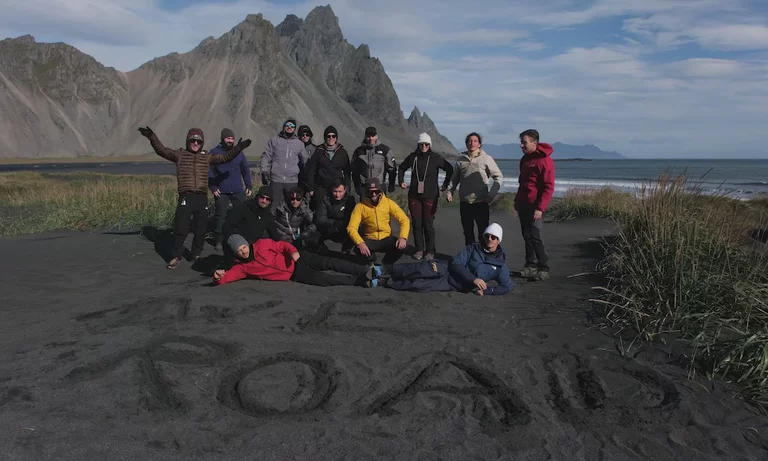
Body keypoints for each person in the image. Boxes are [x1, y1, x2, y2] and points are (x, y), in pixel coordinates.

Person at [137, 126, 250, 269]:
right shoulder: (180, 155)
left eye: (198, 141)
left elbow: (225, 157)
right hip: (186, 196)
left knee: (201, 228)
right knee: (181, 227)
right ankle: (176, 256)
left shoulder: (206, 156)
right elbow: (162, 150)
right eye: (193, 140)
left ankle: (196, 253)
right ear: (188, 141)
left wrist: (238, 147)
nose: (195, 143)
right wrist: (151, 136)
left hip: (201, 197)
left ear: (201, 143)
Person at [378, 223, 513, 295]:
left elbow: (506, 286)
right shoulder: (473, 248)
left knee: (418, 286)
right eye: (487, 236)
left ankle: (385, 283)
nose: (489, 239)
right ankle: (384, 270)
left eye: (493, 237)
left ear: (498, 240)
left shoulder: (499, 265)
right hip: (446, 268)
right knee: (420, 269)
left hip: (453, 284)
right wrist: (473, 279)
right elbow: (456, 262)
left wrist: (487, 291)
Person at [213, 234, 380, 287]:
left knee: (329, 263)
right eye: (239, 250)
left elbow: (282, 245)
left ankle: (366, 270)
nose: (243, 251)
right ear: (236, 253)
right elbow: (229, 276)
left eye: (243, 246)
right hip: (294, 273)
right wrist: (219, 277)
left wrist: (293, 252)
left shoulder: (261, 244)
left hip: (299, 257)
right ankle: (360, 281)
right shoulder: (242, 267)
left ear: (245, 243)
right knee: (324, 279)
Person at [397, 133, 454, 260]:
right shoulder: (413, 157)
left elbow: (449, 169)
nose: (424, 146)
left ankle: (430, 251)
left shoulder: (435, 158)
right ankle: (419, 250)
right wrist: (401, 181)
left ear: (429, 145)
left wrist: (445, 184)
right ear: (418, 144)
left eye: (426, 144)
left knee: (427, 224)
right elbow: (401, 168)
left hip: (430, 196)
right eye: (421, 144)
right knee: (417, 224)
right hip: (414, 196)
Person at [447, 132, 503, 245]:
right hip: (465, 202)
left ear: (479, 144)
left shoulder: (486, 159)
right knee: (468, 233)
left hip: (481, 202)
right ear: (466, 144)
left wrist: (491, 195)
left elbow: (498, 177)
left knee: (483, 233)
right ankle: (470, 256)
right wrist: (450, 191)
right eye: (469, 141)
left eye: (475, 141)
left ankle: (483, 258)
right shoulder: (461, 160)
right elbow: (454, 179)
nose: (472, 143)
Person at [515, 129, 555, 281]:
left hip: (535, 206)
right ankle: (530, 266)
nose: (521, 145)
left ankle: (543, 267)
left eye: (524, 142)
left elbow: (548, 187)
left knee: (535, 236)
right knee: (526, 236)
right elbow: (523, 183)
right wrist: (517, 201)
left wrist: (540, 208)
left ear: (534, 143)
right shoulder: (525, 159)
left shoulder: (545, 161)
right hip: (523, 204)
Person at [347, 178, 410, 268]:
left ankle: (386, 264)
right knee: (358, 249)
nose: (373, 194)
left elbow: (404, 219)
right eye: (370, 192)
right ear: (366, 192)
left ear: (380, 191)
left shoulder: (388, 203)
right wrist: (360, 243)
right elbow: (351, 227)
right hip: (370, 238)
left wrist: (402, 237)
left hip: (386, 238)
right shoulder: (360, 207)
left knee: (401, 246)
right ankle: (370, 262)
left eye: (376, 191)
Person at [208, 128, 253, 250]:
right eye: (228, 138)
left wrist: (248, 185)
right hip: (221, 190)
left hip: (238, 189)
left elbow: (245, 169)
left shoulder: (238, 152)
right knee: (220, 216)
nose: (230, 140)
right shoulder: (214, 152)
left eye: (232, 138)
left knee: (242, 213)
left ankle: (242, 237)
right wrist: (213, 186)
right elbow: (210, 172)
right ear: (222, 139)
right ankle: (218, 240)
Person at [260, 118, 308, 209]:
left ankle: (289, 223)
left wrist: (307, 176)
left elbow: (305, 160)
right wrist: (264, 171)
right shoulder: (274, 140)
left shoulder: (299, 143)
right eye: (287, 125)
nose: (289, 127)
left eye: (292, 126)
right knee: (274, 205)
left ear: (294, 129)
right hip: (276, 179)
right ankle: (272, 222)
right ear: (284, 127)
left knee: (291, 206)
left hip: (292, 181)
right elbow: (266, 156)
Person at [305, 125, 351, 210]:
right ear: (325, 138)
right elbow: (312, 170)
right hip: (321, 187)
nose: (331, 138)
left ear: (336, 138)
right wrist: (310, 188)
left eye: (333, 136)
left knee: (335, 209)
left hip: (337, 187)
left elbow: (347, 171)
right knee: (320, 209)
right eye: (328, 136)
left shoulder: (342, 152)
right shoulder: (319, 151)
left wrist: (347, 186)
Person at [351, 126, 396, 197]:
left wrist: (391, 185)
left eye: (373, 136)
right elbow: (355, 171)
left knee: (381, 207)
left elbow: (392, 169)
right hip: (364, 186)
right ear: (365, 137)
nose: (371, 138)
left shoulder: (385, 150)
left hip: (380, 185)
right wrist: (357, 186)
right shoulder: (358, 151)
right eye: (368, 136)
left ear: (376, 136)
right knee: (365, 207)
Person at [313, 180, 356, 253]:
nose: (337, 194)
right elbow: (320, 219)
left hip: (343, 228)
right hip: (328, 227)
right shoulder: (325, 199)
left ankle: (346, 251)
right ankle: (323, 251)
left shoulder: (350, 200)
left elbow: (351, 218)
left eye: (340, 191)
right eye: (335, 191)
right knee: (310, 237)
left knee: (353, 231)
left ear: (345, 190)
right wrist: (335, 222)